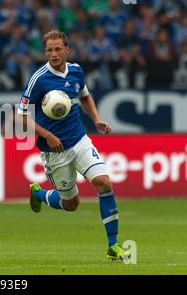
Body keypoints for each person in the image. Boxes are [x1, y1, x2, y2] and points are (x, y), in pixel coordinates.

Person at [17, 30, 129, 261]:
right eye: (49, 50)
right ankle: (39, 194)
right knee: (71, 204)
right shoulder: (38, 79)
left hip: (79, 140)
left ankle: (113, 245)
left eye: (58, 49)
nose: (54, 54)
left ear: (67, 50)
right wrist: (48, 135)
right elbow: (22, 117)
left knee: (104, 183)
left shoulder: (76, 71)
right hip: (55, 151)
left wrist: (96, 119)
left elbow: (85, 96)